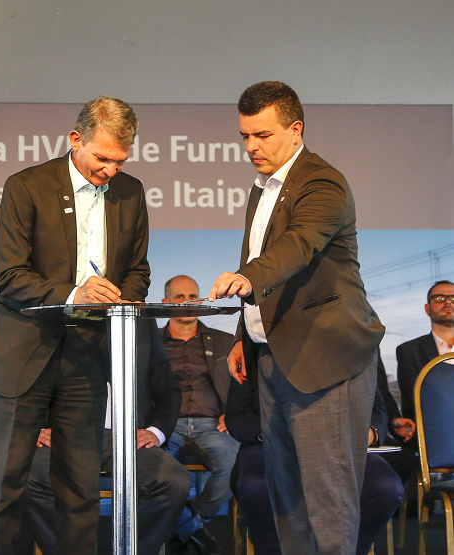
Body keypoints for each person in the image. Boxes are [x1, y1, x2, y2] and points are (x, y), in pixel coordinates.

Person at [208, 81, 385, 553]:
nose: (250, 147)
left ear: (296, 129)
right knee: (287, 502)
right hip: (274, 359)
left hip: (326, 358)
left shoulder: (322, 182)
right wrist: (243, 339)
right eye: (244, 136)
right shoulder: (262, 188)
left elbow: (296, 247)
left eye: (262, 135)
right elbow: (261, 270)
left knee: (328, 503)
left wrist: (247, 276)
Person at [0, 96, 151, 554]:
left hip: (87, 356)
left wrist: (121, 296)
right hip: (21, 353)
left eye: (120, 160)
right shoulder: (26, 186)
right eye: (102, 158)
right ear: (76, 140)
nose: (111, 171)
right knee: (3, 489)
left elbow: (138, 271)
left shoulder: (131, 193)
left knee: (81, 492)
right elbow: (10, 275)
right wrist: (76, 293)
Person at [19, 321, 189, 555]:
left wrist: (156, 432)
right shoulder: (54, 316)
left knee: (173, 480)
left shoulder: (141, 323)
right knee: (28, 477)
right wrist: (36, 428)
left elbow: (168, 390)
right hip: (62, 434)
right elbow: (24, 380)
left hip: (128, 437)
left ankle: (133, 551)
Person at [226, 377, 403, 555]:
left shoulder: (352, 349)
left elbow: (376, 408)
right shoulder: (252, 350)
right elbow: (237, 414)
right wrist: (275, 434)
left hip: (340, 441)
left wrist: (370, 433)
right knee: (256, 485)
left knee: (385, 487)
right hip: (271, 441)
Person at [161, 275, 238, 555]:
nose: (187, 302)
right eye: (180, 297)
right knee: (150, 471)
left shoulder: (224, 341)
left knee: (235, 464)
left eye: (192, 296)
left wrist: (233, 415)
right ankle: (193, 531)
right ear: (167, 302)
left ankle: (189, 525)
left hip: (212, 426)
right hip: (166, 426)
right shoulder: (150, 343)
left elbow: (245, 384)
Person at [396, 280, 454, 423]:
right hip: (434, 435)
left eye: (453, 298)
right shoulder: (408, 351)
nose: (448, 302)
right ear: (427, 309)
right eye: (440, 298)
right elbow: (417, 400)